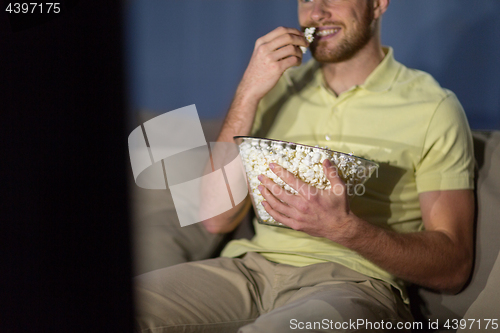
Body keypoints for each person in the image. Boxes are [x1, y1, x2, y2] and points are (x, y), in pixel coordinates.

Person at [134, 0, 475, 331]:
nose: (315, 13)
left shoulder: (433, 107)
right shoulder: (275, 86)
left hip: (351, 281)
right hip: (251, 270)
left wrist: (347, 230)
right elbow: (215, 218)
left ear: (378, 4)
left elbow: (454, 267)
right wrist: (249, 92)